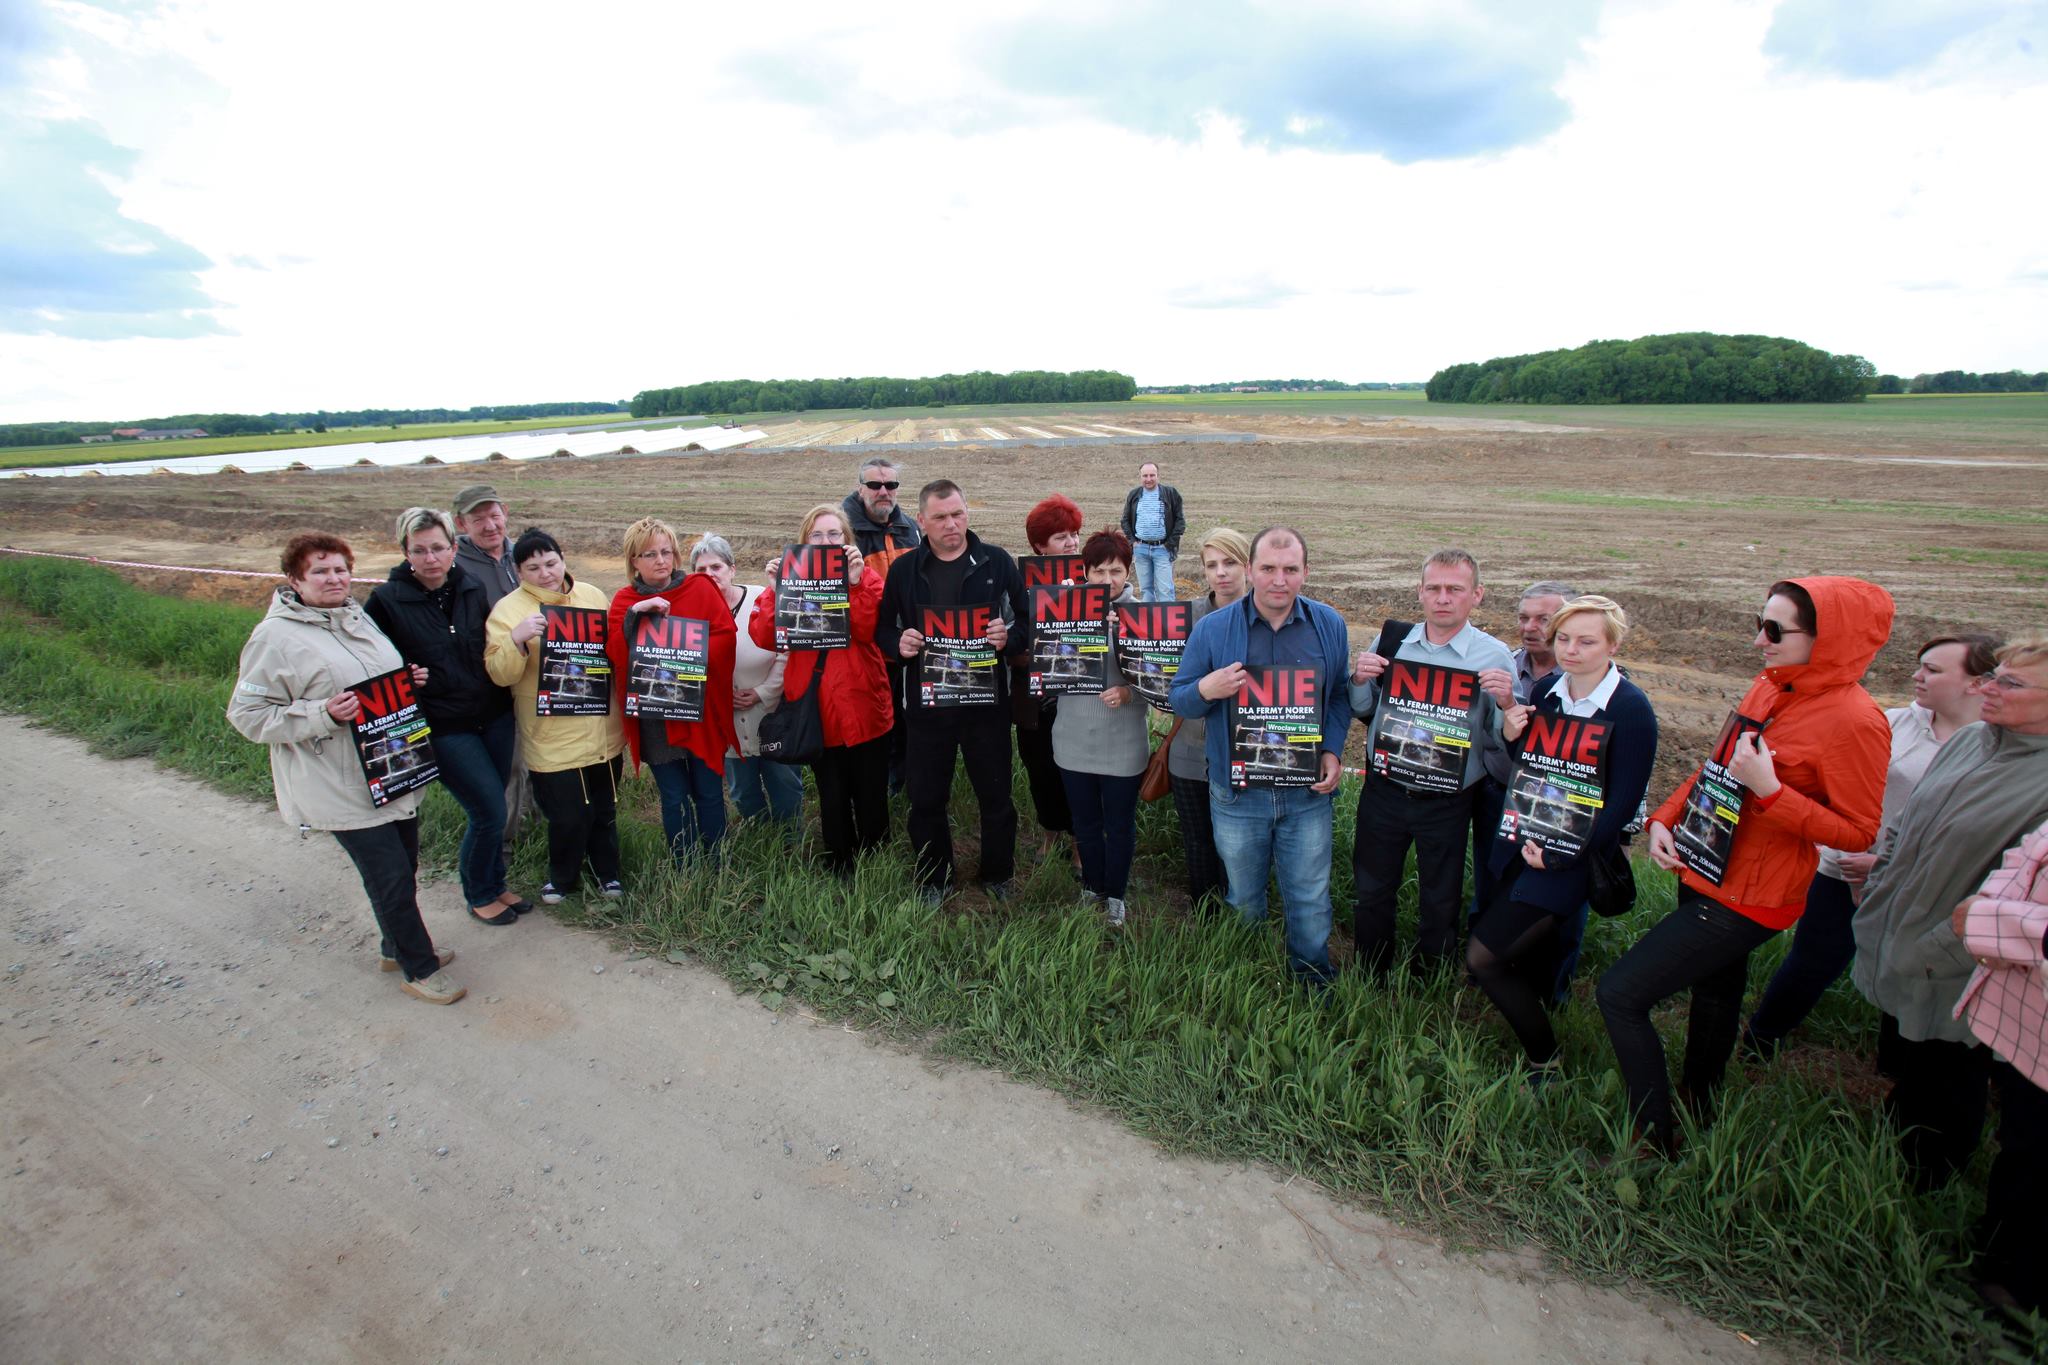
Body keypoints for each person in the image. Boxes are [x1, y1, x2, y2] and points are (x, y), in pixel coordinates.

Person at [1606, 576, 1894, 1156]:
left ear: (1827, 638)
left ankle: (1653, 1137)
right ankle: (1700, 1102)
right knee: (1716, 991)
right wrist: (1666, 817)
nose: (1758, 640)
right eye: (1759, 623)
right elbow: (1718, 765)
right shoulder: (1769, 684)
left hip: (1754, 894)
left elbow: (1860, 832)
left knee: (1620, 994)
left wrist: (1771, 791)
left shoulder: (1856, 722)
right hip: (1707, 862)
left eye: (1773, 630)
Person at [228, 533, 462, 1004]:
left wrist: (406, 681)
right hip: (336, 781)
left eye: (340, 569)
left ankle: (395, 946)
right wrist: (322, 715)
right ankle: (419, 967)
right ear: (294, 579)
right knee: (390, 875)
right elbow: (247, 716)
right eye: (320, 571)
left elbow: (374, 683)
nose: (334, 578)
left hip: (392, 769)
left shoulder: (356, 619)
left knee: (404, 866)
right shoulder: (274, 638)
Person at [1851, 635, 2048, 1187]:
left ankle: (1925, 1186)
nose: (1989, 686)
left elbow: (2025, 895)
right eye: (1995, 673)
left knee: (1951, 1071)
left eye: (2011, 682)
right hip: (1908, 931)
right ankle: (1899, 1144)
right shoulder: (1973, 741)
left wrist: (1943, 942)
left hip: (1962, 957)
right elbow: (1910, 820)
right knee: (1915, 1057)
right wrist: (1883, 878)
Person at [1742, 633, 1998, 1054]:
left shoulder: (1992, 748)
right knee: (1814, 960)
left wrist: (1887, 864)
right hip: (1846, 871)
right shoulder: (1888, 723)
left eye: (1932, 670)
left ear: (1975, 683)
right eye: (1920, 665)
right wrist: (1846, 858)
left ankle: (1895, 1062)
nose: (1916, 676)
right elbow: (1844, 798)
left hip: (1928, 884)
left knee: (1909, 973)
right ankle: (1759, 1042)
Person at [1467, 596, 1657, 1077]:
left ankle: (1545, 1060)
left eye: (1586, 641)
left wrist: (1559, 856)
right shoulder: (1550, 689)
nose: (1571, 650)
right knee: (1515, 950)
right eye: (1565, 639)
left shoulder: (1631, 709)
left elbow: (1620, 807)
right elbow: (1527, 771)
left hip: (1571, 858)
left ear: (1612, 644)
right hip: (1523, 839)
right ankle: (1533, 1023)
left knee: (1484, 957)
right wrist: (1512, 734)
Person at [1170, 527, 1351, 985]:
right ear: (1251, 570)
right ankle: (1248, 980)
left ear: (1306, 573)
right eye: (1268, 568)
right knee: (1244, 897)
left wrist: (1331, 748)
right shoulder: (1212, 629)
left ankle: (1312, 978)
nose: (1279, 580)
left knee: (1309, 896)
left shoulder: (1328, 625)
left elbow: (1339, 697)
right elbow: (1181, 699)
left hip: (1306, 792)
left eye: (1290, 570)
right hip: (1237, 795)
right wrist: (1207, 689)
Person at [1348, 549, 1515, 977]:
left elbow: (1500, 741)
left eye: (1454, 589)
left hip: (1447, 799)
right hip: (1384, 789)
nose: (1443, 598)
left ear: (1476, 595)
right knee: (1371, 888)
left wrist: (1507, 703)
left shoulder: (1494, 656)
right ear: (1420, 592)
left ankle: (1432, 978)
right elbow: (1363, 708)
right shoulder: (1391, 641)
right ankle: (1371, 971)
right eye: (1434, 588)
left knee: (1440, 896)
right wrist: (1360, 679)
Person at [366, 507, 526, 927]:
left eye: (438, 547)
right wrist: (402, 674)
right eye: (419, 550)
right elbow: (370, 665)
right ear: (405, 552)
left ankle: (496, 883)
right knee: (488, 810)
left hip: (492, 715)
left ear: (454, 548)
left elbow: (489, 646)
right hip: (443, 725)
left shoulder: (471, 587)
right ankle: (478, 894)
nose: (431, 557)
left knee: (497, 803)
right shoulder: (385, 602)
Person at [880, 479, 1033, 903]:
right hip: (928, 710)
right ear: (923, 521)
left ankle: (997, 875)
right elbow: (882, 628)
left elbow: (1028, 621)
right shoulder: (904, 570)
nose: (952, 524)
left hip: (987, 708)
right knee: (926, 799)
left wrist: (1009, 637)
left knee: (996, 797)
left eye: (959, 514)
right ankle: (934, 878)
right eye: (941, 517)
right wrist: (899, 644)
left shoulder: (997, 563)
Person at [483, 528, 626, 904]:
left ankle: (608, 874)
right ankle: (563, 877)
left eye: (551, 562)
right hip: (551, 735)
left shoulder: (593, 596)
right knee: (567, 816)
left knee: (604, 810)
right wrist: (517, 639)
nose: (545, 573)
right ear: (518, 572)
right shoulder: (508, 611)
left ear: (563, 560)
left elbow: (613, 652)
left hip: (603, 728)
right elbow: (500, 673)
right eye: (533, 567)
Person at [751, 504, 893, 874]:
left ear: (847, 540)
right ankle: (840, 863)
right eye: (817, 535)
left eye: (834, 534)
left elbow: (869, 630)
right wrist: (773, 592)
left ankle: (876, 863)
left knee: (871, 794)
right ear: (805, 540)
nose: (826, 541)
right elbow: (766, 636)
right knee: (832, 795)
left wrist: (857, 583)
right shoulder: (790, 581)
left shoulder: (868, 578)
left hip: (865, 707)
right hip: (818, 710)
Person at [1950, 812, 2048, 1314]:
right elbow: (2017, 865)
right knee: (2020, 1146)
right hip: (2027, 1029)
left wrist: (1996, 924)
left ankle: (2017, 1300)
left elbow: (1979, 916)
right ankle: (1997, 1264)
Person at [606, 518, 739, 866]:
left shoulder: (699, 588)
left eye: (666, 551)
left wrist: (688, 659)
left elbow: (726, 637)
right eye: (649, 554)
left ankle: (717, 863)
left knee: (709, 793)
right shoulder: (625, 600)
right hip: (656, 721)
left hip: (699, 713)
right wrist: (636, 616)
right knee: (674, 796)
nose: (660, 560)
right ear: (634, 560)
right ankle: (685, 866)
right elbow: (616, 653)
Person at [1052, 528, 1147, 927]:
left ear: (1129, 573)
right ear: (1084, 572)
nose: (1107, 580)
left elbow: (1162, 682)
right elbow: (1046, 666)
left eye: (1116, 571)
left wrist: (1128, 692)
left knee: (1119, 825)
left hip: (1123, 741)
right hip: (1073, 737)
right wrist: (1054, 615)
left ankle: (1116, 897)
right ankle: (1091, 887)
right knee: (1085, 823)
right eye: (1098, 571)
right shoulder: (1063, 607)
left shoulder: (1145, 615)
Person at [1167, 528, 1251, 911]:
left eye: (1230, 562)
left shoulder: (1267, 616)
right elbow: (1164, 679)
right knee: (1198, 838)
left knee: (1238, 843)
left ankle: (1242, 914)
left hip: (1247, 754)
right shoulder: (1187, 616)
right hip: (1190, 750)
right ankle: (1205, 914)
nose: (1222, 573)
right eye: (1212, 564)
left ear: (1248, 567)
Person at [692, 533, 798, 831]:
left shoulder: (760, 598)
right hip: (727, 721)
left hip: (772, 713)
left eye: (716, 567)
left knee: (785, 785)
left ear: (732, 569)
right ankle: (763, 842)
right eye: (701, 570)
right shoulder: (691, 615)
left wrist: (763, 693)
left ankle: (792, 843)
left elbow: (786, 650)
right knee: (743, 792)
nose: (710, 575)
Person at [453, 484, 530, 865]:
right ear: (460, 523)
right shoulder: (455, 566)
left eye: (494, 515)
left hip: (533, 676)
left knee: (535, 757)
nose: (489, 525)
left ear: (506, 513)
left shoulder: (523, 555)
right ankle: (501, 845)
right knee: (509, 764)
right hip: (490, 681)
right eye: (477, 518)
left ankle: (529, 826)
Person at [841, 457, 921, 793]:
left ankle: (908, 781)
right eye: (875, 485)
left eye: (891, 485)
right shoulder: (845, 532)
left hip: (911, 643)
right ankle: (879, 786)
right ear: (861, 488)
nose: (884, 491)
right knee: (877, 721)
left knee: (910, 720)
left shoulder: (911, 528)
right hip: (867, 646)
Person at [1014, 494, 1082, 859]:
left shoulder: (1091, 584)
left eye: (1074, 534)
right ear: (1040, 545)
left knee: (1073, 771)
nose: (1071, 542)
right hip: (1033, 697)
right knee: (1039, 769)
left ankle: (1077, 842)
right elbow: (1010, 639)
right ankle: (1049, 834)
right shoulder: (1018, 585)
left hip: (1077, 698)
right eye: (1061, 536)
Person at [1120, 461, 1185, 603]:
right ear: (1140, 477)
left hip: (1162, 549)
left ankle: (1168, 623)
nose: (1148, 479)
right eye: (1145, 476)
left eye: (1152, 475)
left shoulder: (1170, 494)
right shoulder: (1134, 495)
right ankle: (1149, 622)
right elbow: (1125, 520)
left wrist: (1169, 544)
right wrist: (1132, 541)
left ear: (1158, 476)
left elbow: (1180, 522)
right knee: (1146, 590)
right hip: (1140, 549)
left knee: (1165, 590)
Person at [1510, 582, 1576, 704]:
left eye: (1543, 620)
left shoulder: (1587, 677)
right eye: (1524, 618)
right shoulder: (1505, 666)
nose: (1529, 627)